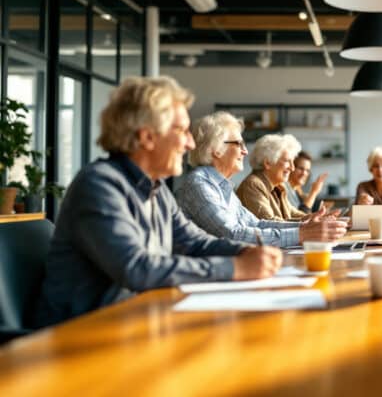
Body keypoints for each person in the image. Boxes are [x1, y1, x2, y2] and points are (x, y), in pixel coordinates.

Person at [35, 76, 283, 327]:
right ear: (147, 137)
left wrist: (244, 252)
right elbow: (136, 268)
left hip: (132, 323)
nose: (190, 143)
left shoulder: (157, 189)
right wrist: (236, 268)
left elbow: (194, 242)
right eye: (182, 131)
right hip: (78, 335)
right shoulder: (98, 185)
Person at [175, 112, 346, 247]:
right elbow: (231, 234)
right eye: (239, 144)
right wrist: (302, 233)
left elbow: (256, 224)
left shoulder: (221, 186)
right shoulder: (198, 184)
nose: (245, 151)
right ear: (217, 150)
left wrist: (305, 227)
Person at [237, 134, 308, 221]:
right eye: (287, 161)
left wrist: (317, 218)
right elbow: (269, 222)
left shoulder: (278, 187)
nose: (292, 168)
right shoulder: (253, 184)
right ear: (268, 163)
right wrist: (310, 223)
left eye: (292, 162)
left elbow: (293, 213)